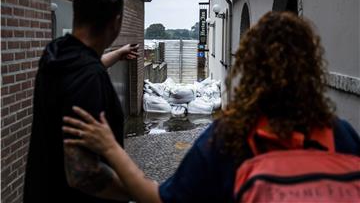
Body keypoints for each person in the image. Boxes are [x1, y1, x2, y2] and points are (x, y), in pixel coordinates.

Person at [62, 11, 360, 202]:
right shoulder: (343, 136)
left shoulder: (228, 139)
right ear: (312, 67)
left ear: (249, 66)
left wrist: (110, 147)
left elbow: (159, 199)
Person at [23, 0, 139, 202]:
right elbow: (83, 174)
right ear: (116, 22)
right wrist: (146, 191)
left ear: (78, 15)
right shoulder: (88, 77)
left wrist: (116, 54)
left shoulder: (55, 53)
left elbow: (83, 68)